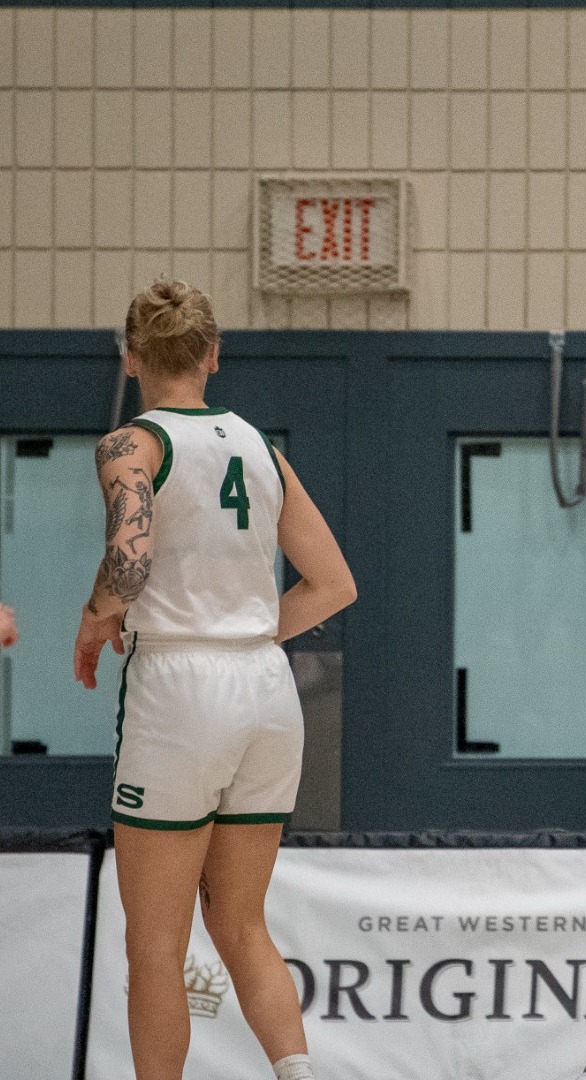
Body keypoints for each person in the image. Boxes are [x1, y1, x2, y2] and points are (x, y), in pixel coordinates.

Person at [73, 280, 356, 1080]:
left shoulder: (132, 445)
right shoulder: (261, 447)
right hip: (267, 688)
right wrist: (251, 630)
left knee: (155, 943)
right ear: (212, 355)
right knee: (242, 925)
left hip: (179, 690)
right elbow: (333, 583)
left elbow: (129, 566)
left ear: (131, 358)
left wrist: (95, 615)